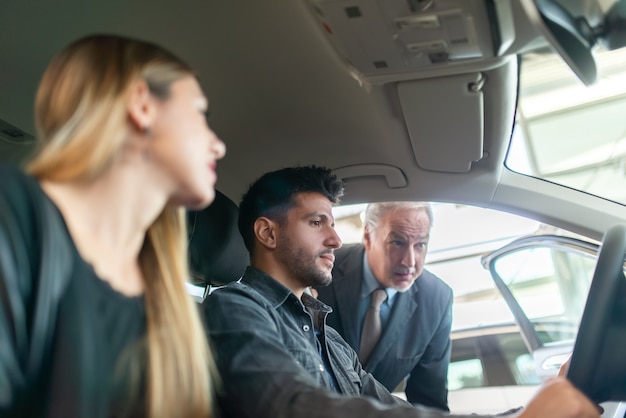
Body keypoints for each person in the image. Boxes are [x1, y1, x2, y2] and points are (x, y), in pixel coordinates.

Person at [202, 165, 601, 418]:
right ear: (267, 232)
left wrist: (526, 411)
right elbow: (293, 407)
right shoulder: (234, 308)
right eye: (317, 222)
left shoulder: (328, 334)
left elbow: (395, 407)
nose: (336, 240)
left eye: (334, 224)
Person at [0, 34, 225, 418]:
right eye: (200, 114)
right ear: (142, 105)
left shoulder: (165, 292)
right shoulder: (13, 214)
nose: (217, 145)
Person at [315, 202, 452, 410]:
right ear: (368, 236)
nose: (410, 262)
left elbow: (429, 399)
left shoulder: (436, 298)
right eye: (397, 243)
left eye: (420, 245)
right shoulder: (323, 268)